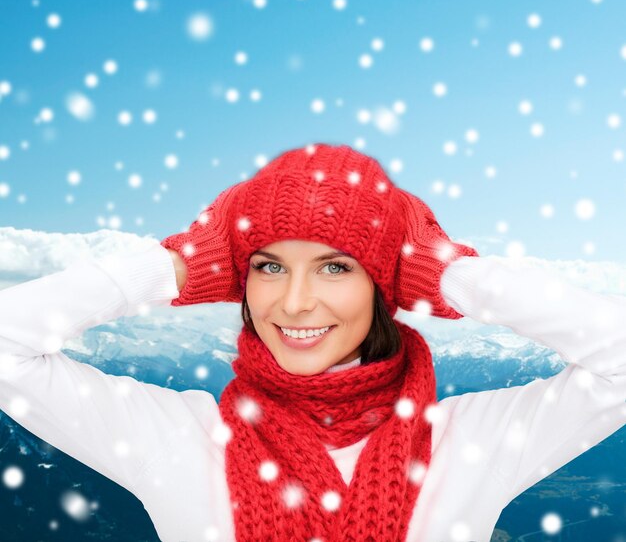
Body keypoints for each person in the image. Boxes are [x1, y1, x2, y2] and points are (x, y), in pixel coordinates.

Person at [0, 143, 623, 542]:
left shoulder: (474, 440)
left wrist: (449, 272)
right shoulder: (174, 437)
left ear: (386, 283)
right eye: (268, 267)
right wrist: (177, 267)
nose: (294, 301)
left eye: (336, 267)